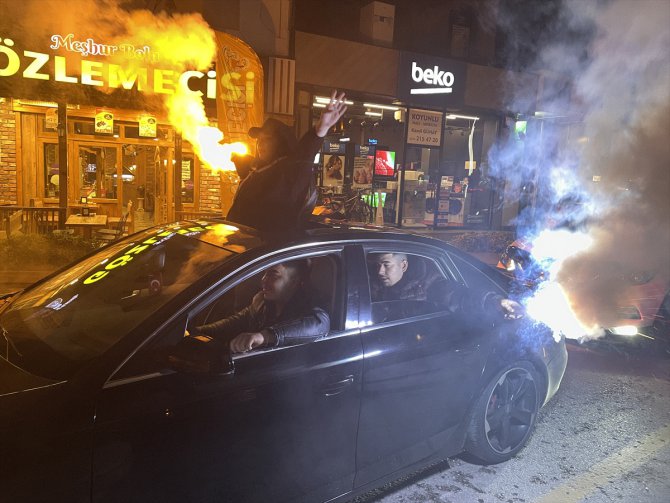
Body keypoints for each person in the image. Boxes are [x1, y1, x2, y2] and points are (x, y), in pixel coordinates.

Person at [226, 90, 348, 232]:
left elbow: (304, 155)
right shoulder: (258, 171)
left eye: (267, 139)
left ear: (280, 143)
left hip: (267, 244)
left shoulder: (288, 171)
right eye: (259, 140)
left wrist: (319, 130)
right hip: (240, 242)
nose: (260, 144)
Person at [187, 259, 330, 354]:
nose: (263, 280)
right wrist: (194, 332)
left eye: (273, 275)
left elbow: (319, 324)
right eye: (265, 273)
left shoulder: (311, 310)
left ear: (295, 281)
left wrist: (263, 336)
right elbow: (235, 322)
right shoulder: (261, 301)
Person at [370, 252, 523, 319]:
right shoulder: (369, 282)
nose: (380, 271)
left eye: (386, 265)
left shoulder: (426, 283)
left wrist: (496, 302)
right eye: (377, 265)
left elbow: (460, 297)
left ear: (403, 265)